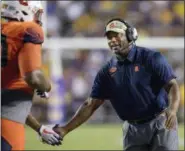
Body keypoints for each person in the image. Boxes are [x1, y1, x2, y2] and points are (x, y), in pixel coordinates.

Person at [53, 18, 180, 150]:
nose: (112, 40)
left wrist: (172, 110)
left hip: (160, 122)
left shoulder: (152, 58)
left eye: (117, 35)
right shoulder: (106, 71)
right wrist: (65, 129)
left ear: (131, 35)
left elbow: (172, 86)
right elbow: (91, 104)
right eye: (109, 37)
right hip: (131, 128)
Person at [1, 1, 61, 150]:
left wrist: (39, 128)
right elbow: (33, 77)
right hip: (6, 124)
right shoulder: (28, 30)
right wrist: (46, 86)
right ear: (23, 10)